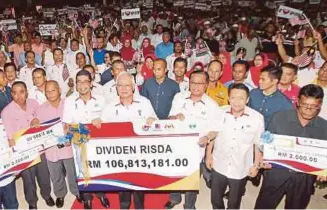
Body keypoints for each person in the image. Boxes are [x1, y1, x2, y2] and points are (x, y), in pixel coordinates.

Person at [254, 84, 327, 209]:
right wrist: (262, 158)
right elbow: (266, 143)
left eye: (314, 106)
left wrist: (324, 170)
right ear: (298, 102)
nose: (308, 109)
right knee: (264, 206)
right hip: (276, 173)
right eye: (305, 105)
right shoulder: (280, 118)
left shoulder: (324, 127)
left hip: (304, 178)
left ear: (320, 106)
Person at [100, 71, 158, 209]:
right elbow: (100, 129)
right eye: (120, 85)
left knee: (139, 187)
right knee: (123, 188)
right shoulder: (109, 106)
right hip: (119, 155)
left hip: (140, 154)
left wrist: (153, 121)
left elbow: (156, 123)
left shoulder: (144, 103)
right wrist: (97, 123)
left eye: (127, 85)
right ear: (116, 88)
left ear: (133, 87)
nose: (124, 88)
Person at [165, 70, 220, 209]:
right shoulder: (179, 97)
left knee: (193, 179)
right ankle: (174, 198)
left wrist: (207, 138)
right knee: (176, 173)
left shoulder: (212, 105)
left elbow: (214, 130)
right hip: (177, 146)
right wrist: (174, 117)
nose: (196, 86)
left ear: (206, 85)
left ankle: (189, 205)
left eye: (200, 83)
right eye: (193, 82)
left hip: (197, 149)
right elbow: (169, 118)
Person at [205, 83, 264, 209]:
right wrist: (208, 155)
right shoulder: (219, 112)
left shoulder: (257, 118)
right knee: (215, 198)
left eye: (241, 98)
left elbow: (258, 145)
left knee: (234, 202)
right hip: (219, 163)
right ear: (228, 98)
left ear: (247, 100)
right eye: (233, 97)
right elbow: (213, 134)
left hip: (240, 168)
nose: (236, 102)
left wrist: (256, 166)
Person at [1, 81, 54, 209]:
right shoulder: (6, 112)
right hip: (23, 151)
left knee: (44, 175)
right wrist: (16, 158)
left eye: (21, 92)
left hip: (39, 148)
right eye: (14, 92)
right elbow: (10, 138)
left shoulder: (34, 104)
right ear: (11, 94)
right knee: (28, 179)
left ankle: (46, 195)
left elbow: (42, 120)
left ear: (27, 92)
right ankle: (32, 202)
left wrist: (37, 121)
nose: (18, 95)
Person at [62, 70, 109, 209]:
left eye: (85, 81)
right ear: (76, 84)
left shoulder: (101, 99)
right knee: (81, 171)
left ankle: (101, 194)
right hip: (79, 144)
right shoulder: (70, 101)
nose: (82, 85)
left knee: (99, 169)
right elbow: (66, 124)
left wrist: (101, 119)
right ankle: (87, 198)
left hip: (98, 143)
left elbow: (107, 119)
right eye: (79, 82)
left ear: (91, 83)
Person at [32, 80, 81, 208]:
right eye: (47, 91)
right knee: (55, 174)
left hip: (68, 146)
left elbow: (76, 122)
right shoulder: (41, 109)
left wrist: (70, 130)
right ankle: (60, 194)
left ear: (59, 90)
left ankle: (76, 191)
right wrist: (34, 123)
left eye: (53, 90)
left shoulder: (69, 104)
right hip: (51, 150)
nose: (50, 93)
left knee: (73, 172)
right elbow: (37, 129)